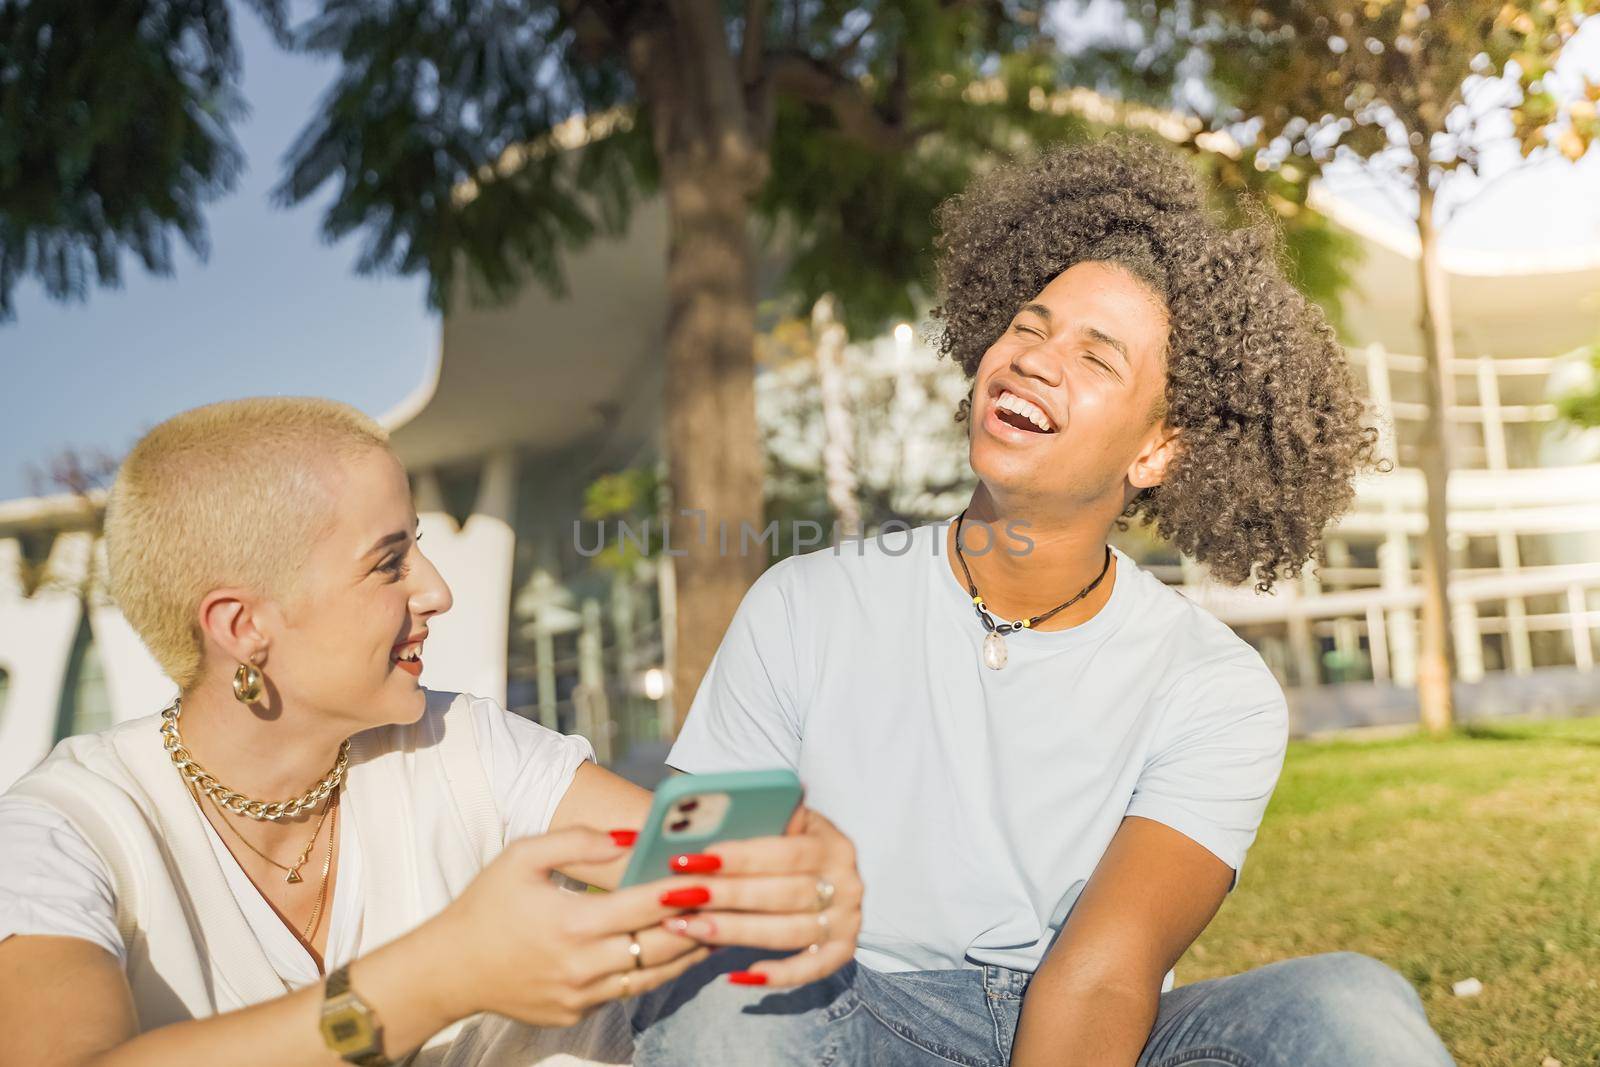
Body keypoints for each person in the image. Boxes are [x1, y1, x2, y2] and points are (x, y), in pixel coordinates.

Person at [639, 138, 1456, 1065]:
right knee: (716, 997)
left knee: (1350, 1006)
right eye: (1029, 327)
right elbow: (686, 880)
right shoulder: (804, 604)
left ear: (1156, 450)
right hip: (847, 1020)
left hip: (1092, 1026)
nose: (1035, 359)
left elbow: (1106, 974)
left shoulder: (1214, 686)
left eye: (1097, 358)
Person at [0, 397, 863, 1067]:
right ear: (242, 627)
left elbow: (689, 856)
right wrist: (441, 975)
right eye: (389, 562)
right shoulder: (68, 828)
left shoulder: (460, 743)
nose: (438, 590)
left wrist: (786, 862)